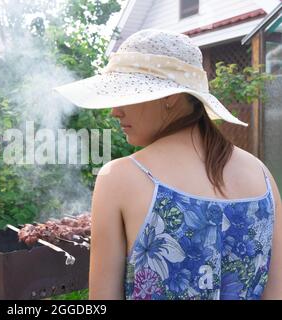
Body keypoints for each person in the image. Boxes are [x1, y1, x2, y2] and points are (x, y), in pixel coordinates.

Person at [54, 29, 282, 300]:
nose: (115, 111)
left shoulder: (120, 177)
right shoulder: (262, 175)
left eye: (126, 93)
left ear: (170, 97)